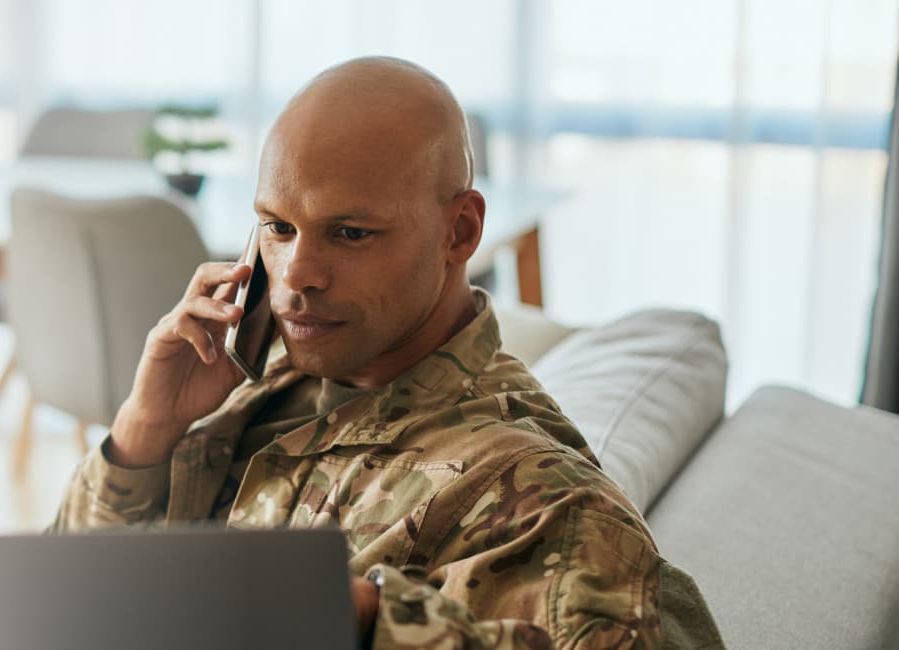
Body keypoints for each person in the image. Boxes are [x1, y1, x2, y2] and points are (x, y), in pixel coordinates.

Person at [50, 56, 724, 649]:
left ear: (459, 231)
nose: (295, 275)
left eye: (348, 233)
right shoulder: (248, 387)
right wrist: (143, 432)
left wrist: (364, 622)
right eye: (279, 228)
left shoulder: (532, 494)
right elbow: (62, 606)